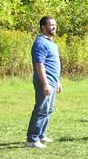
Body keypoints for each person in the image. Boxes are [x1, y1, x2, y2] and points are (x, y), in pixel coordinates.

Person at [26, 16, 62, 149]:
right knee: (41, 109)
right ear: (43, 27)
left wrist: (57, 81)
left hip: (52, 81)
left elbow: (52, 64)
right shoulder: (40, 42)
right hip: (44, 81)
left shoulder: (51, 43)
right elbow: (39, 65)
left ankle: (41, 134)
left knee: (48, 109)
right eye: (51, 25)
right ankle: (32, 139)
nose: (54, 27)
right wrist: (45, 83)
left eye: (55, 25)